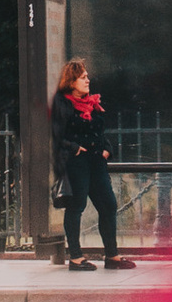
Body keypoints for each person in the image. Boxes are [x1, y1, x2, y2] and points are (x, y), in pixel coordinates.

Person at [52, 58, 134, 270]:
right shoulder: (62, 103)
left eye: (87, 76)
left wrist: (108, 148)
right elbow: (57, 135)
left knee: (108, 205)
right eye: (83, 77)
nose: (88, 80)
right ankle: (76, 258)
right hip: (77, 162)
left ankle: (112, 256)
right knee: (76, 206)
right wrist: (75, 148)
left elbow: (100, 131)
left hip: (97, 160)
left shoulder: (92, 102)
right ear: (71, 81)